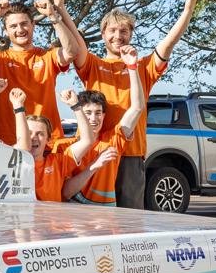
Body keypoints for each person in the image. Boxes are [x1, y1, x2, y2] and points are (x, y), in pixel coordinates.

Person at [60, 0, 203, 208]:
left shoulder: (143, 66)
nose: (118, 35)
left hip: (131, 153)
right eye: (113, 30)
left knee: (129, 215)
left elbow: (168, 44)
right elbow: (76, 43)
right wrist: (61, 8)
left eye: (124, 31)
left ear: (131, 34)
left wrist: (187, 10)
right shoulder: (93, 64)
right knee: (90, 214)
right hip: (94, 151)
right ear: (103, 33)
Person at [0, 0, 84, 146]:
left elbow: (72, 51)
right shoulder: (0, 58)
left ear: (33, 25)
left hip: (49, 141)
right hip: (12, 141)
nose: (20, 29)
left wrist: (53, 16)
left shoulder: (47, 56)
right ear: (6, 31)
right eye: (13, 26)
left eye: (24, 23)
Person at [59, 50, 149, 205]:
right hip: (77, 214)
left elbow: (137, 108)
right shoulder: (68, 148)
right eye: (88, 113)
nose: (93, 119)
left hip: (106, 214)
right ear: (79, 113)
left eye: (98, 113)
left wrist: (132, 68)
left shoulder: (113, 141)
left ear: (104, 115)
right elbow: (66, 192)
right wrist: (95, 166)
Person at [9, 88, 77, 203]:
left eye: (40, 134)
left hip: (51, 220)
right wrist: (18, 106)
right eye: (29, 133)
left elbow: (87, 139)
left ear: (48, 139)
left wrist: (76, 105)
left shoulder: (58, 162)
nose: (34, 137)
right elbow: (23, 146)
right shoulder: (11, 159)